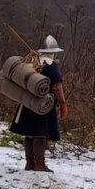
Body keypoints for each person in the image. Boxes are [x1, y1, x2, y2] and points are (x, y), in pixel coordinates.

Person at [10, 34, 67, 171]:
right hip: (43, 104)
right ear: (53, 52)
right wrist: (63, 103)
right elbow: (57, 87)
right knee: (40, 133)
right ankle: (39, 164)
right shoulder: (51, 65)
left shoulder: (31, 61)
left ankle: (30, 163)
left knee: (30, 134)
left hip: (27, 103)